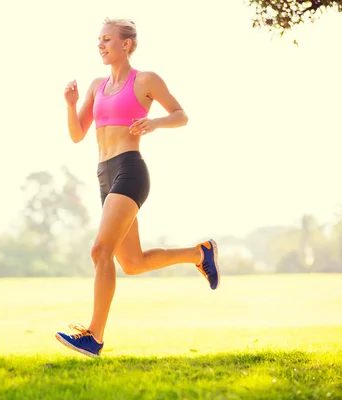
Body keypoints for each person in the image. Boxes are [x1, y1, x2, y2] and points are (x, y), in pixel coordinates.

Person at [55, 18, 220, 358]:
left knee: (100, 252)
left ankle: (94, 337)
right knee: (131, 262)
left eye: (107, 40)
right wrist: (70, 105)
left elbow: (181, 114)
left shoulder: (145, 80)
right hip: (104, 174)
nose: (101, 46)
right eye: (98, 40)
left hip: (130, 171)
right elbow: (76, 134)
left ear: (126, 44)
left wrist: (155, 122)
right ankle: (198, 253)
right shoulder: (96, 86)